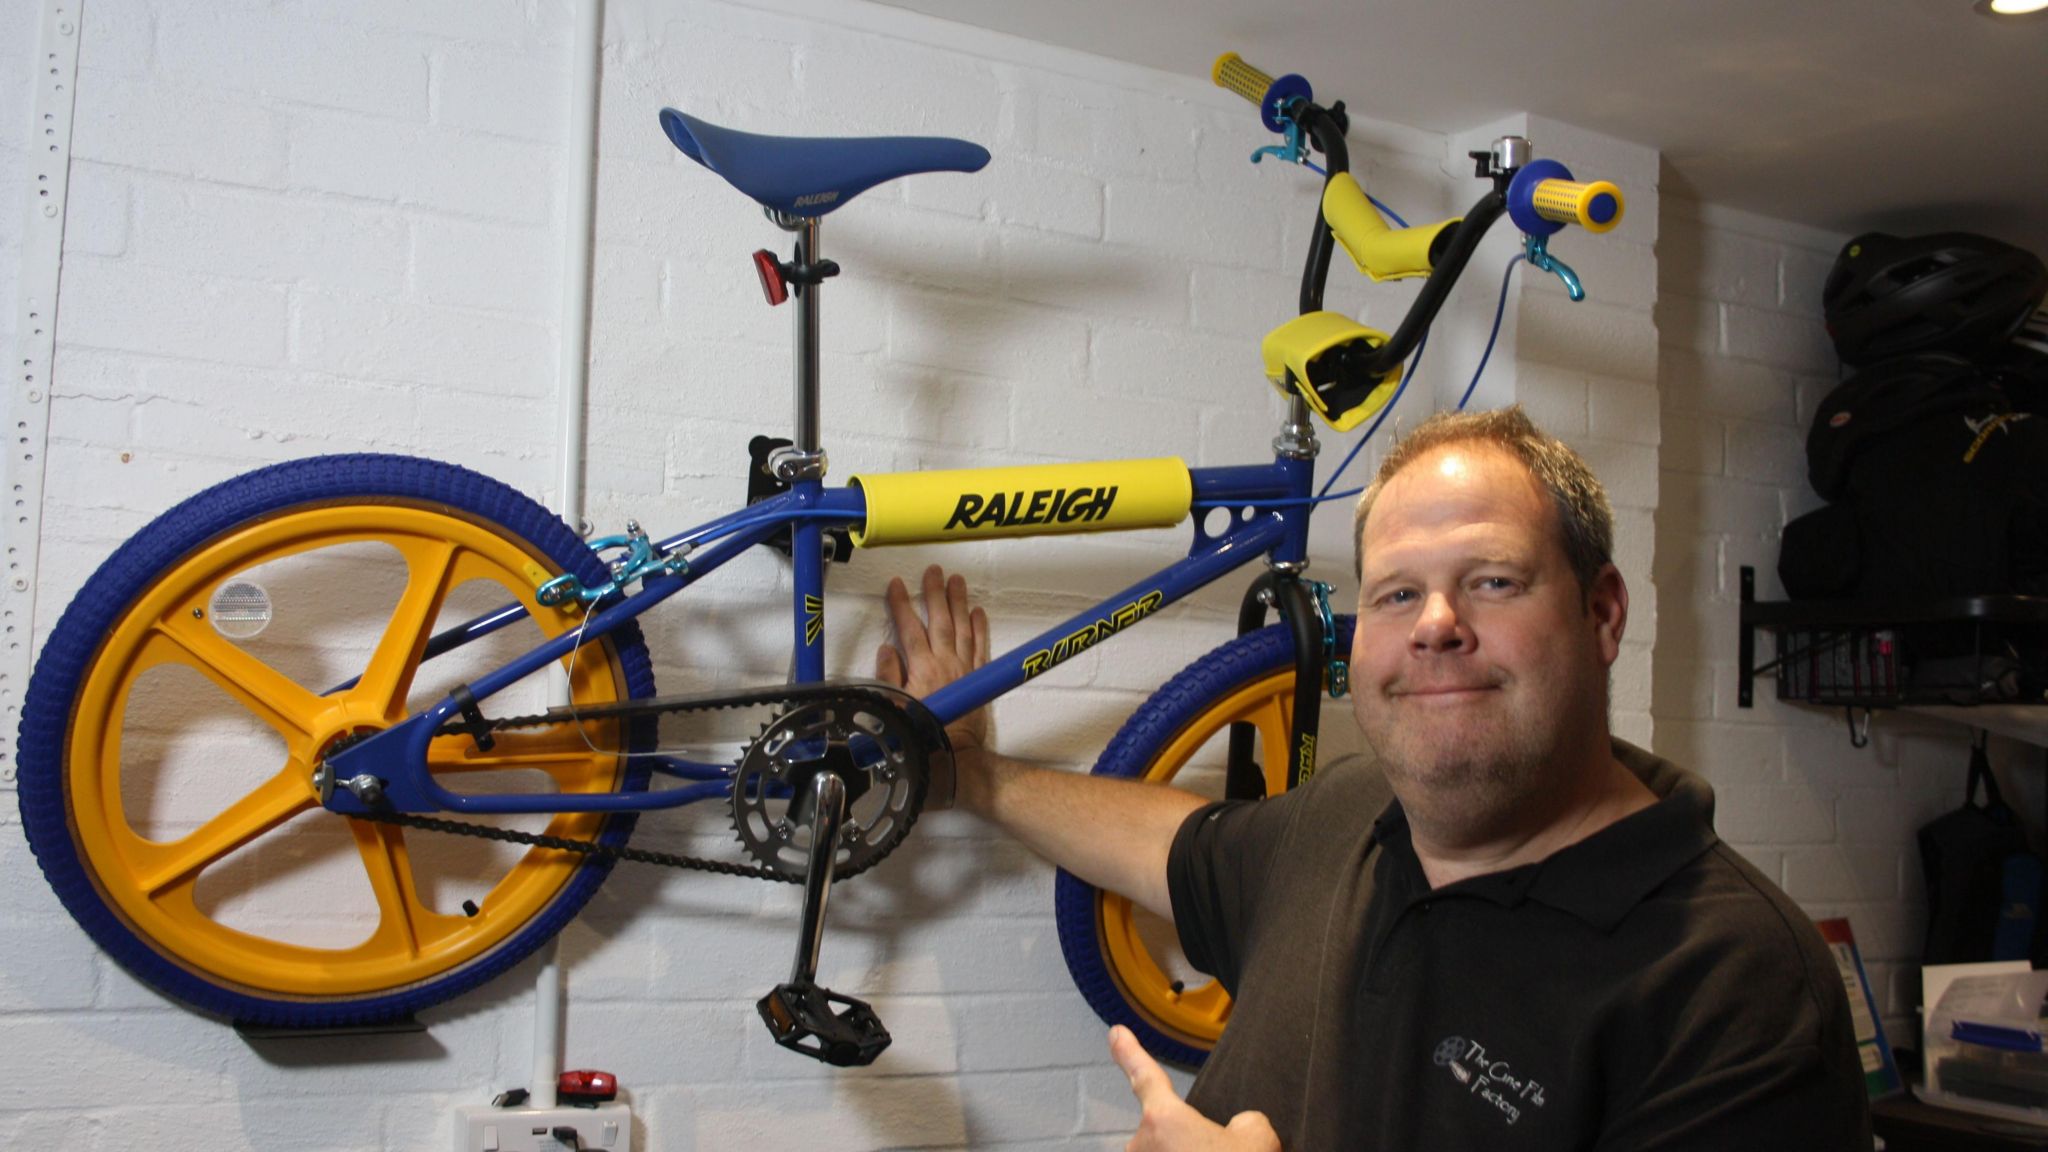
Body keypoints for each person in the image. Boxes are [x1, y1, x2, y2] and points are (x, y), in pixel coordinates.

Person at [878, 406, 1872, 1150]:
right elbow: (1169, 845)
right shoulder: (1352, 817)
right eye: (1397, 592)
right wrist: (972, 777)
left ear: (1600, 614)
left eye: (1491, 579)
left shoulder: (1734, 985)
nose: (1435, 623)